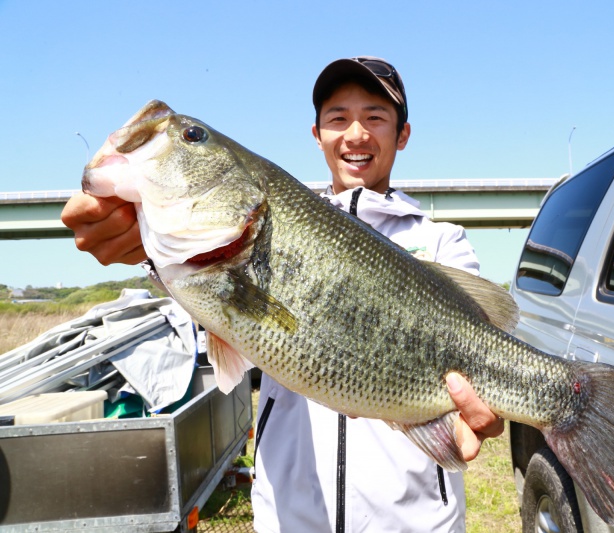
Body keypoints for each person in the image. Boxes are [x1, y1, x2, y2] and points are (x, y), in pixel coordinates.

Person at [61, 56, 504, 532]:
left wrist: (487, 404)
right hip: (291, 518)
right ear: (317, 135)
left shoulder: (441, 242)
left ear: (403, 135)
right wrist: (142, 248)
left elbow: (482, 344)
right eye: (337, 118)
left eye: (375, 116)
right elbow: (214, 319)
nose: (356, 133)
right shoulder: (254, 234)